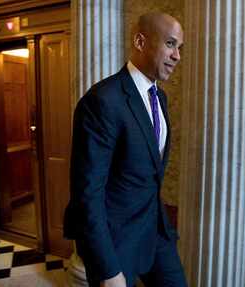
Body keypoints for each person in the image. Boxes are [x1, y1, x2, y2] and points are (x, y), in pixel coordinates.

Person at [64, 12, 187, 287]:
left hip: (155, 232)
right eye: (170, 44)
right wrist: (107, 269)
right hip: (116, 241)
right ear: (140, 42)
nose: (177, 56)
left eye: (179, 48)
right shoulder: (102, 100)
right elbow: (87, 192)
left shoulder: (160, 97)